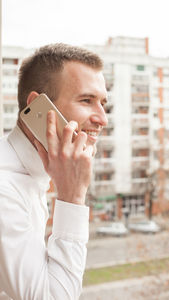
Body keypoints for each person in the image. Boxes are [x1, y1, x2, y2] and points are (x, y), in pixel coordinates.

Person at [0, 43, 108, 300]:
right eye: (87, 100)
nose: (102, 118)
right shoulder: (5, 190)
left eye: (103, 103)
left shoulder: (32, 174)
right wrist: (72, 196)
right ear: (39, 108)